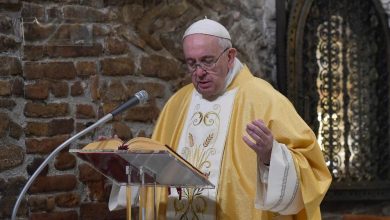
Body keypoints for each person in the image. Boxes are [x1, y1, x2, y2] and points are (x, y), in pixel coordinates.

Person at [109, 18, 332, 220]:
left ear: (230, 56)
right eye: (192, 63)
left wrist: (270, 156)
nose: (199, 72)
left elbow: (311, 170)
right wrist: (127, 160)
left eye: (207, 61)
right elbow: (155, 171)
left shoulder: (263, 99)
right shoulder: (177, 103)